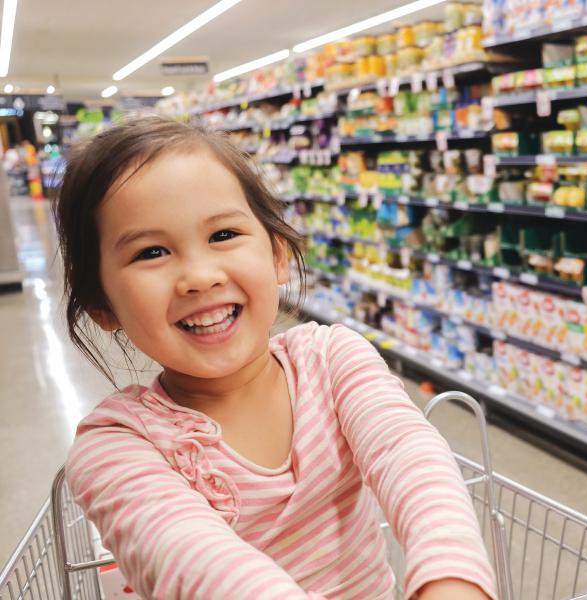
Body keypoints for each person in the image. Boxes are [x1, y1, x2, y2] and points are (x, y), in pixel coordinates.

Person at [56, 116, 496, 600]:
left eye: (223, 235)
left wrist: (451, 580)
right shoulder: (116, 447)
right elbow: (201, 563)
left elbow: (409, 456)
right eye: (152, 252)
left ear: (278, 256)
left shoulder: (332, 361)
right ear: (101, 305)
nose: (200, 277)